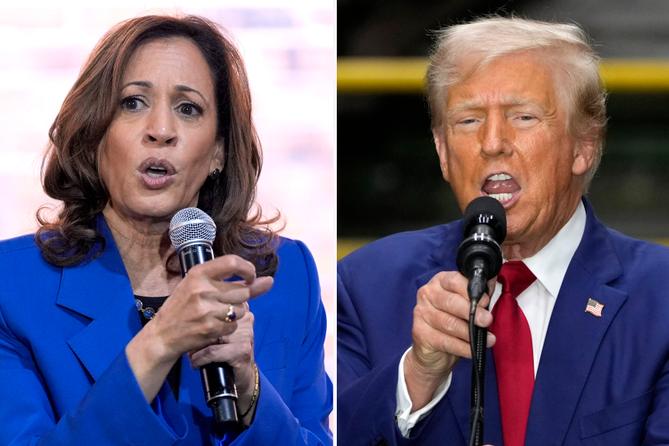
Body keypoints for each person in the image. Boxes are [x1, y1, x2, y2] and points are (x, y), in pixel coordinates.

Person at [0, 14, 332, 445]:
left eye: (188, 108)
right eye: (133, 103)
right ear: (94, 133)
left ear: (218, 152)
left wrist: (251, 391)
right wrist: (158, 342)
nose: (160, 131)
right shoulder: (13, 287)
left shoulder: (287, 278)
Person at [338, 16, 669, 445]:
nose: (493, 142)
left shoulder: (660, 296)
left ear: (584, 145)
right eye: (469, 121)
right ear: (441, 151)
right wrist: (417, 376)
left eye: (524, 117)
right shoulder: (366, 284)